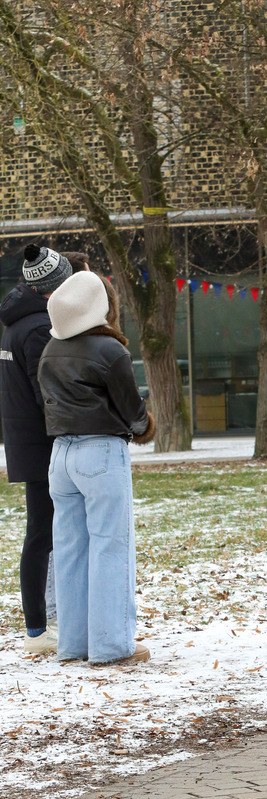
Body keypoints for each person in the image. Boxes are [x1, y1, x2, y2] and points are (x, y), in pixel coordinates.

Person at [37, 271, 154, 665]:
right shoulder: (109, 350)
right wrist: (145, 426)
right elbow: (132, 411)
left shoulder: (50, 349)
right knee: (110, 546)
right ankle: (111, 645)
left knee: (70, 550)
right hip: (101, 452)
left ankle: (73, 643)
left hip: (61, 457)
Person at [0, 243, 73, 653]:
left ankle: (38, 626)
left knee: (40, 534)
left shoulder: (16, 323)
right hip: (43, 446)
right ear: (53, 287)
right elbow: (46, 392)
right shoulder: (38, 328)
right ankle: (38, 628)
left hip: (26, 443)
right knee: (43, 535)